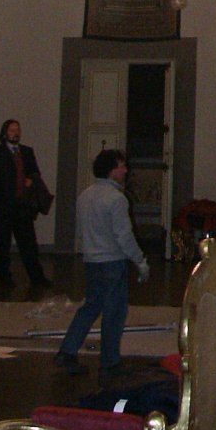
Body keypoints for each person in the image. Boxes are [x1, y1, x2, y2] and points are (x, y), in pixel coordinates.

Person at [55, 148, 149, 378]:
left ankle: (67, 351)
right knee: (114, 314)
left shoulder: (85, 196)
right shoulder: (116, 199)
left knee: (90, 307)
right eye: (121, 166)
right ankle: (110, 363)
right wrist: (140, 261)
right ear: (111, 170)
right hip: (112, 261)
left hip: (91, 260)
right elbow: (124, 236)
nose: (125, 170)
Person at [0, 118, 50, 291]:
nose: (15, 133)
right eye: (12, 130)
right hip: (4, 205)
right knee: (3, 242)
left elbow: (35, 172)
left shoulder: (26, 152)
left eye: (17, 130)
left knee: (29, 243)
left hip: (23, 205)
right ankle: (4, 277)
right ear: (5, 133)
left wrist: (31, 180)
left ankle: (37, 277)